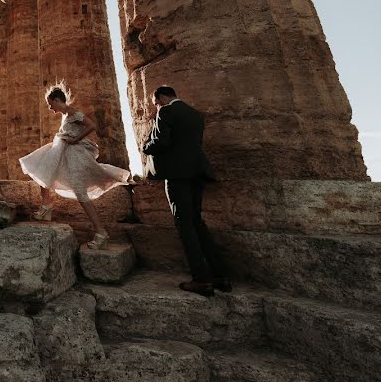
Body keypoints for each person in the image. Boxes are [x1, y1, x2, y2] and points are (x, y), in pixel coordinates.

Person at [142, 85, 229, 296]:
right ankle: (220, 276)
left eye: (156, 103)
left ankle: (200, 279)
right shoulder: (195, 115)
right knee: (197, 221)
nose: (157, 106)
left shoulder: (166, 111)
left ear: (161, 98)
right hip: (197, 172)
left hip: (177, 174)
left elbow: (162, 142)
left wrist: (145, 146)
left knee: (184, 223)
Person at [19, 83, 130, 249]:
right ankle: (46, 206)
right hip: (63, 153)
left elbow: (92, 125)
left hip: (75, 156)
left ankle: (100, 232)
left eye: (50, 103)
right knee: (40, 167)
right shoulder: (65, 115)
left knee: (80, 192)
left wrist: (75, 139)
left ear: (57, 100)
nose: (50, 108)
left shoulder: (72, 112)